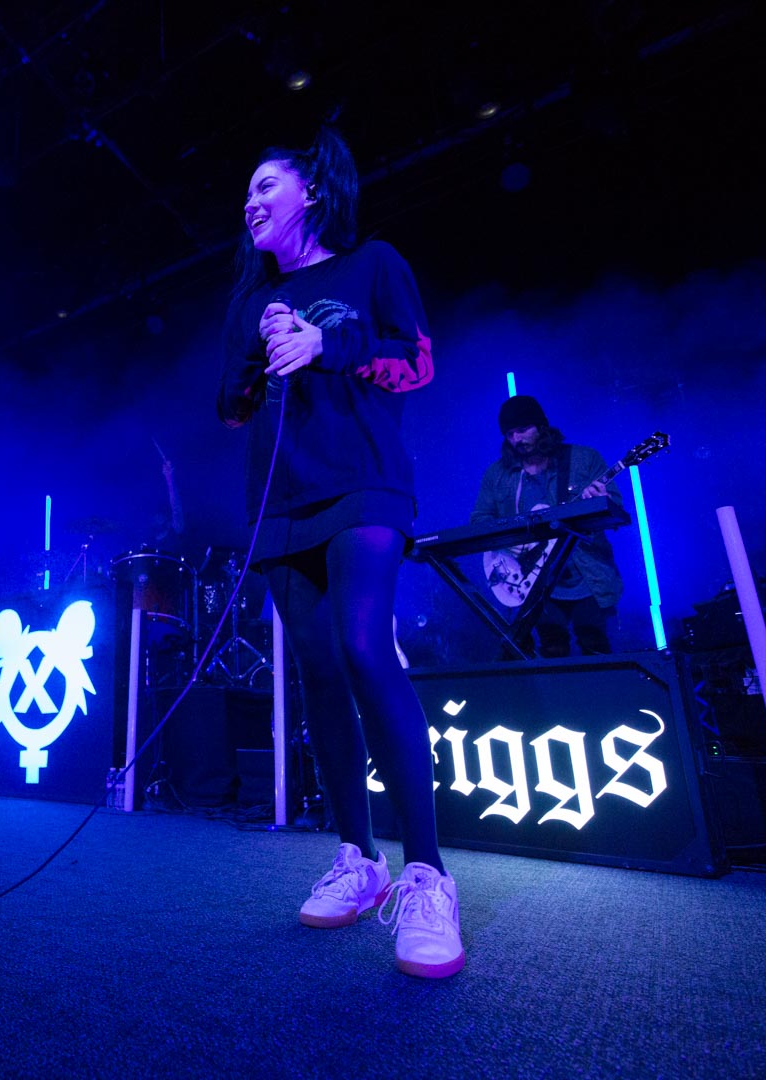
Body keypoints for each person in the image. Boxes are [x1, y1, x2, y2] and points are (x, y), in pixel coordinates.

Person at [217, 127, 461, 978]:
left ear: (311, 191)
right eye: (247, 191)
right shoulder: (252, 297)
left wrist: (328, 344)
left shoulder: (373, 264)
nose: (250, 201)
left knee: (363, 647)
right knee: (317, 670)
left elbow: (417, 363)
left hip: (364, 484)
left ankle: (427, 875)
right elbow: (231, 408)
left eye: (265, 185)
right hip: (281, 502)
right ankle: (359, 860)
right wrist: (261, 345)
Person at [471, 395, 624, 657]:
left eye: (523, 430)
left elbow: (616, 508)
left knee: (595, 645)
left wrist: (601, 501)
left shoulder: (583, 459)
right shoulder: (497, 474)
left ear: (541, 426)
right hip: (534, 580)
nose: (517, 439)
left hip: (586, 573)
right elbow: (479, 520)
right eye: (509, 434)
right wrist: (510, 540)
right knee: (552, 649)